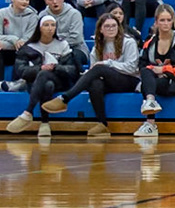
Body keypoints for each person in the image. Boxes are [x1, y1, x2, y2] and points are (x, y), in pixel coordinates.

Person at [42, 10, 139, 139]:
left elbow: (132, 67)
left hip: (130, 80)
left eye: (114, 26)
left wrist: (107, 63)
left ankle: (65, 98)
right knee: (95, 83)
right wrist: (95, 71)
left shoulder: (128, 42)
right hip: (109, 80)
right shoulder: (98, 46)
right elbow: (95, 70)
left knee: (100, 68)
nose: (111, 29)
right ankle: (102, 124)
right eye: (107, 26)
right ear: (101, 29)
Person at [4, 14, 85, 137]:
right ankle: (44, 123)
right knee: (47, 84)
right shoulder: (29, 47)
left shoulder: (63, 45)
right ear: (40, 28)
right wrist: (40, 68)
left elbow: (72, 70)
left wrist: (56, 67)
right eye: (46, 25)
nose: (50, 28)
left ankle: (28, 112)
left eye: (53, 25)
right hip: (36, 82)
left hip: (60, 80)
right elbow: (21, 71)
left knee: (46, 75)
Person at [132, 4, 175, 140]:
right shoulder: (150, 42)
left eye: (168, 20)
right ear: (156, 22)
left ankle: (150, 123)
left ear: (173, 21)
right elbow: (142, 65)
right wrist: (156, 72)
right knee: (146, 73)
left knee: (148, 85)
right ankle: (150, 102)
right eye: (162, 20)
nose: (166, 23)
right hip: (157, 79)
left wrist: (164, 70)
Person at [0, 0, 39, 89]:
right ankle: (0, 83)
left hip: (23, 51)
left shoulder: (33, 16)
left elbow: (28, 40)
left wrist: (6, 45)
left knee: (23, 50)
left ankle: (16, 84)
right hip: (9, 52)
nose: (25, 2)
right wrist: (14, 39)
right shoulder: (0, 13)